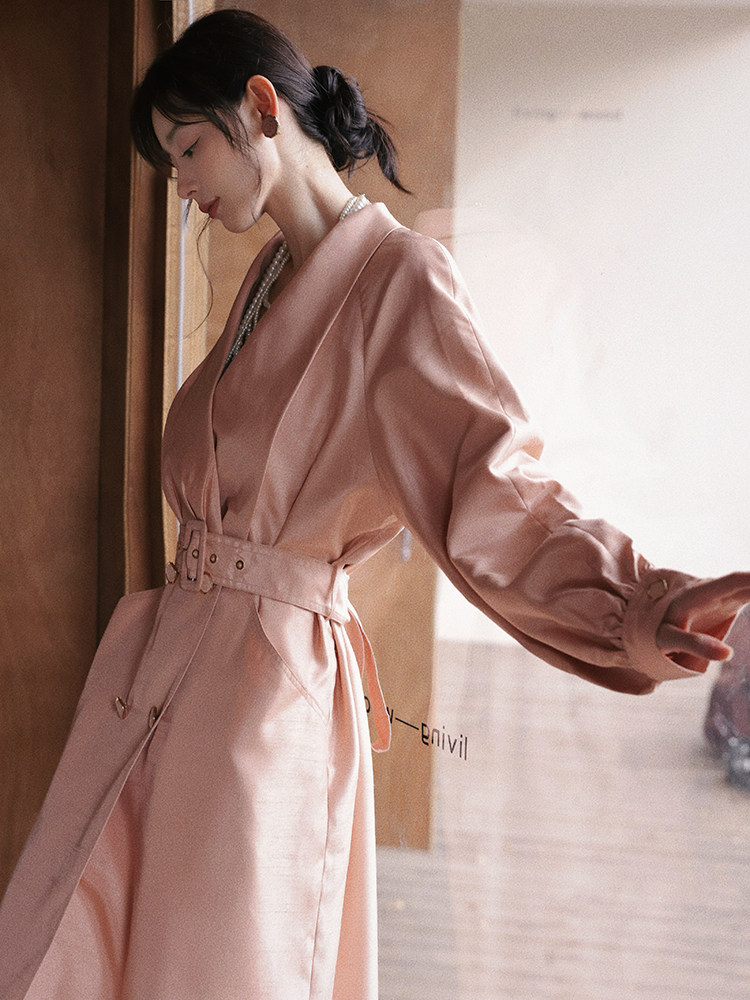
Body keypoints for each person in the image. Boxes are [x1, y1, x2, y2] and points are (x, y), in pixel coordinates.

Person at [1, 8, 749, 1000]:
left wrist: (636, 603)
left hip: (262, 703)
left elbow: (491, 486)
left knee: (224, 966)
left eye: (186, 148)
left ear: (259, 107)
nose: (180, 183)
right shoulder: (271, 274)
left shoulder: (401, 279)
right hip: (176, 678)